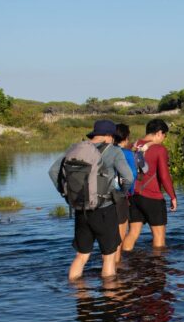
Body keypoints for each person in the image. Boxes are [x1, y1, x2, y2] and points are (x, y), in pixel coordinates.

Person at [49, 119, 134, 280]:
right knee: (108, 256)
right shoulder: (114, 151)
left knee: (81, 255)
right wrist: (121, 193)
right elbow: (128, 177)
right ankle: (109, 293)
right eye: (112, 136)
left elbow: (53, 171)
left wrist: (66, 193)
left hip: (80, 208)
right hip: (105, 208)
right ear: (108, 135)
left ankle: (76, 291)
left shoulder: (75, 148)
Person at [122, 118, 177, 251]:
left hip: (133, 196)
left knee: (133, 233)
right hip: (153, 197)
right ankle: (158, 263)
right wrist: (172, 196)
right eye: (164, 135)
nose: (163, 139)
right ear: (159, 133)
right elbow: (164, 176)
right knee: (159, 236)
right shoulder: (159, 149)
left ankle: (123, 259)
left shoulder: (132, 146)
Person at [115, 123, 140, 242]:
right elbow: (132, 175)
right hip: (120, 196)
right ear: (126, 137)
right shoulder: (127, 153)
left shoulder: (107, 151)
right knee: (120, 236)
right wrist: (130, 191)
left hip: (104, 195)